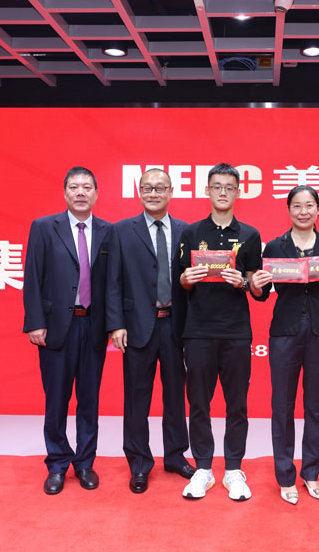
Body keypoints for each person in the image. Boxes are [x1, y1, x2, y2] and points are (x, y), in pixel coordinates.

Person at [178, 162, 269, 501]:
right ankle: (203, 469)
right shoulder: (190, 233)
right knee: (198, 403)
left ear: (238, 192)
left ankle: (233, 469)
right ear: (207, 190)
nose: (222, 192)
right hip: (198, 330)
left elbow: (258, 288)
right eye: (216, 186)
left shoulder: (250, 235)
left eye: (229, 187)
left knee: (237, 404)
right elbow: (180, 281)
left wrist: (243, 282)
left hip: (236, 331)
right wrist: (186, 279)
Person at [23, 166, 114, 495]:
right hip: (55, 327)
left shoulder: (108, 231)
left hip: (93, 325)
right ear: (64, 193)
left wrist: (114, 324)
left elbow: (113, 282)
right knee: (57, 399)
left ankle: (85, 463)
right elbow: (33, 276)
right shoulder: (44, 227)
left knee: (89, 399)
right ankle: (58, 464)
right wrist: (35, 322)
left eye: (87, 187)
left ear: (96, 194)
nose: (80, 192)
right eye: (74, 187)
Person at [256, 185, 319, 505]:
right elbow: (262, 294)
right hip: (285, 331)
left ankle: (311, 473)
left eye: (309, 205)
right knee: (282, 405)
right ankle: (285, 476)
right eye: (297, 205)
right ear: (288, 210)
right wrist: (258, 285)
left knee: (315, 406)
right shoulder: (275, 247)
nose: (303, 211)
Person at [108, 168, 195, 494]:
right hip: (136, 327)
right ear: (139, 192)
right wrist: (115, 324)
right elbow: (112, 281)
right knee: (136, 398)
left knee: (175, 396)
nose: (154, 193)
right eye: (148, 188)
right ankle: (139, 464)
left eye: (160, 188)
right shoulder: (121, 231)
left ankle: (175, 456)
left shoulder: (186, 231)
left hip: (175, 325)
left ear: (171, 192)